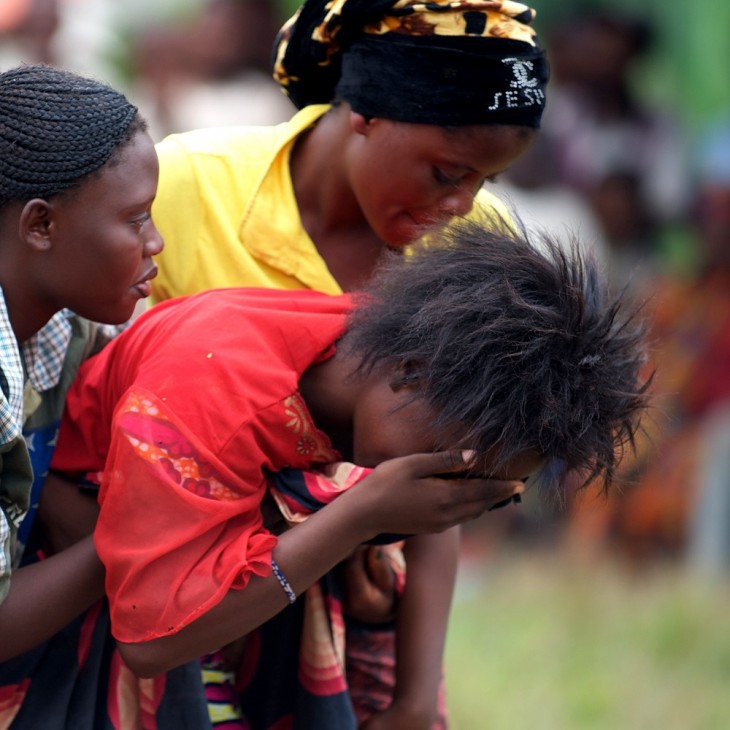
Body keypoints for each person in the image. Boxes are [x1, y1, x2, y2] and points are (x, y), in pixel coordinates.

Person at [46, 217, 649, 728]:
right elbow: (151, 642)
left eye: (483, 496)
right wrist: (355, 515)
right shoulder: (211, 387)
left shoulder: (395, 360)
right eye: (450, 469)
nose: (446, 499)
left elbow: (436, 507)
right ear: (411, 373)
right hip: (97, 584)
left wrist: (415, 698)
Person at [148, 0, 550, 299]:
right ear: (368, 111)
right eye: (445, 175)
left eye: (484, 181)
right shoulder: (182, 187)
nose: (463, 205)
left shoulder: (483, 244)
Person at [0, 62, 162, 659]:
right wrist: (147, 539)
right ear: (40, 225)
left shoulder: (63, 328)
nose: (156, 242)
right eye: (135, 217)